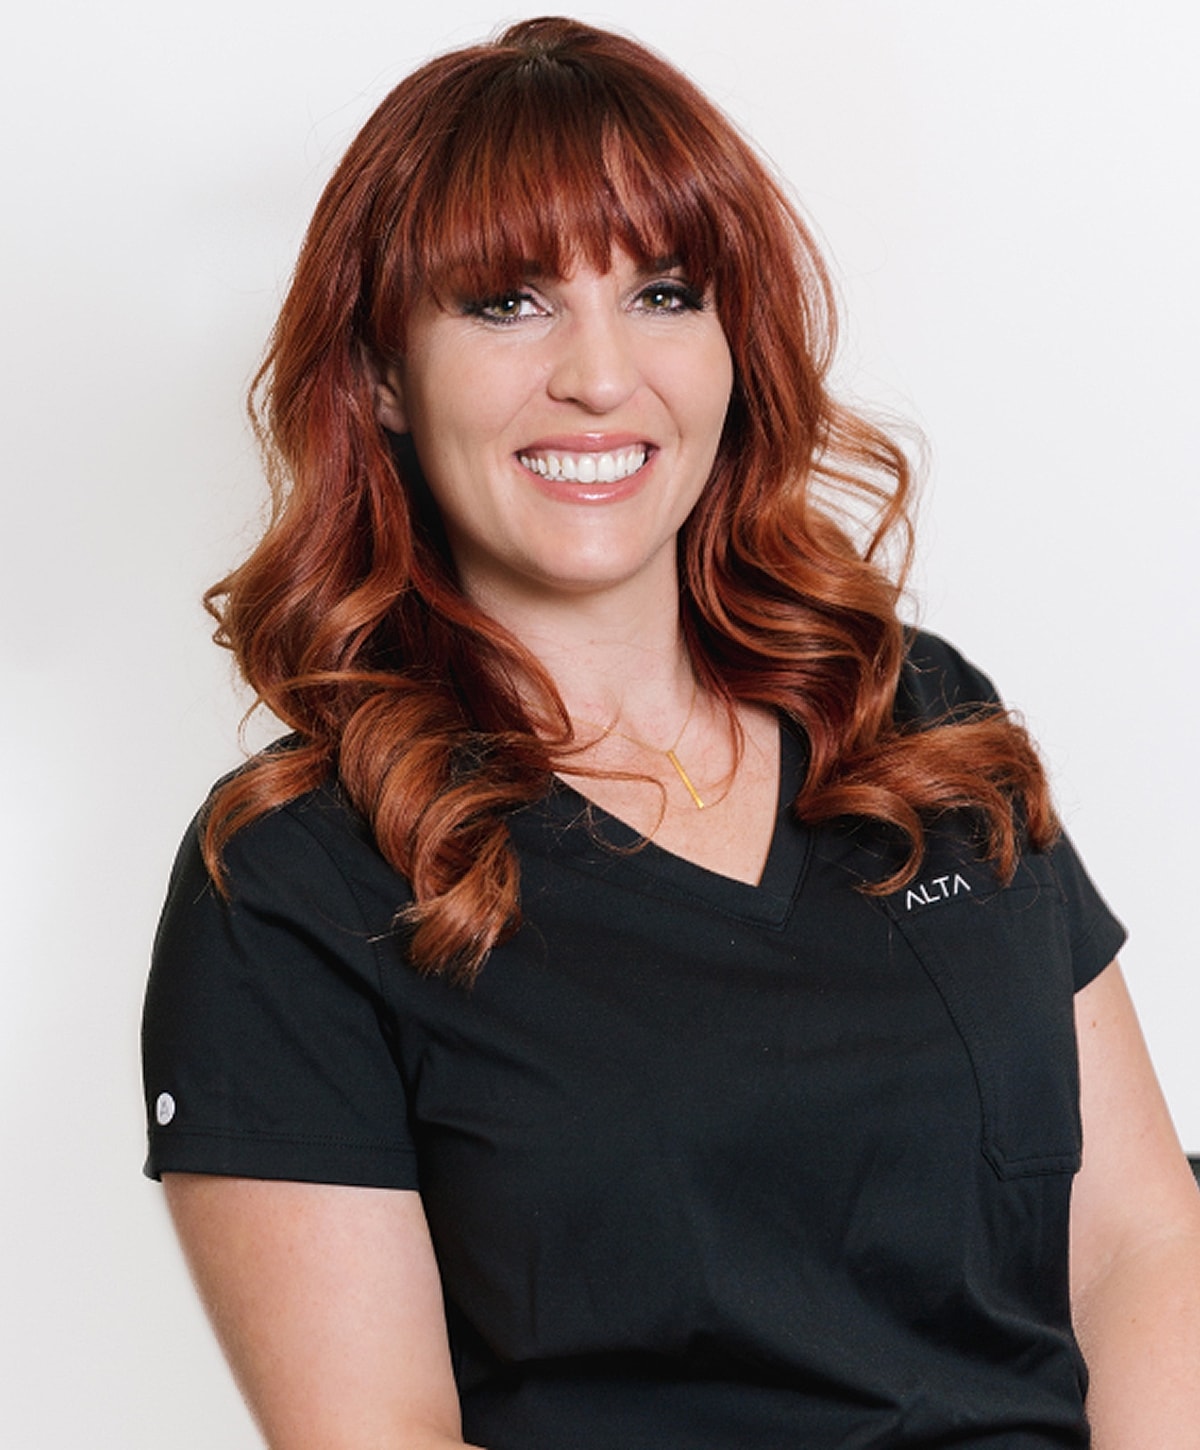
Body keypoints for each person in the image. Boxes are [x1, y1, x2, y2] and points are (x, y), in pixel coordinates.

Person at [141, 17, 1200, 1449]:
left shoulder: (912, 719)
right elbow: (377, 1432)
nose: (598, 374)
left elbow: (1140, 1239)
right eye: (506, 302)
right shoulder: (291, 882)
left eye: (663, 291)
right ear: (382, 374)